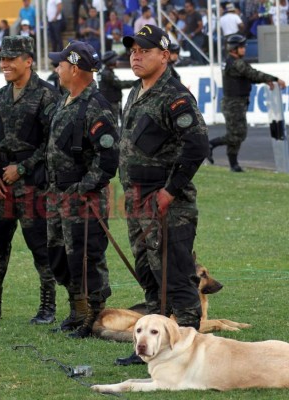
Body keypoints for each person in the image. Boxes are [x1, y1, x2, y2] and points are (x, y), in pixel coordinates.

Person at [115, 25, 209, 366]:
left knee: (176, 277)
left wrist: (171, 190)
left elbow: (197, 144)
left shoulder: (175, 95)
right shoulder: (135, 92)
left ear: (165, 55)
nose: (135, 55)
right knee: (150, 276)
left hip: (168, 205)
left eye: (145, 50)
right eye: (133, 50)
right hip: (138, 201)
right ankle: (151, 349)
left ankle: (187, 355)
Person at [0, 36, 60, 325]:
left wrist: (23, 167)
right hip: (2, 186)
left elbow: (53, 144)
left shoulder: (47, 96)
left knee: (40, 245)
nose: (5, 64)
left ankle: (48, 307)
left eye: (11, 59)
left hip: (34, 185)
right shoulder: (2, 96)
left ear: (28, 61)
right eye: (2, 59)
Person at [46, 41, 119, 339]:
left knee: (87, 256)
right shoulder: (65, 100)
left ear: (74, 68)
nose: (56, 68)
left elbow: (108, 158)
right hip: (58, 196)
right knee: (61, 255)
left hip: (82, 197)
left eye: (60, 63)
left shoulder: (96, 106)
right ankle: (77, 308)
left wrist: (83, 189)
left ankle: (94, 314)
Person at [208, 34, 286, 172]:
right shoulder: (237, 63)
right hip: (234, 104)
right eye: (241, 47)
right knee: (237, 135)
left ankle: (234, 164)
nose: (244, 49)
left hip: (235, 103)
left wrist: (265, 80)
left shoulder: (231, 62)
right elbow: (253, 74)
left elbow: (247, 77)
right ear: (233, 49)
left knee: (236, 134)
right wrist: (274, 79)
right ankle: (210, 145)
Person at [98, 50, 135, 123]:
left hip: (109, 103)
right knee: (113, 124)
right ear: (111, 61)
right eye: (116, 60)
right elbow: (119, 84)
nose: (117, 62)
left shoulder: (105, 72)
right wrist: (135, 82)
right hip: (111, 104)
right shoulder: (107, 74)